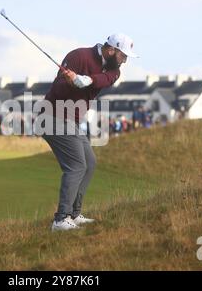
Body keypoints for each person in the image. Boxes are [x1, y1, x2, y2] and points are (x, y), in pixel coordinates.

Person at [41, 33, 138, 231]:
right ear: (111, 50)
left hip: (72, 121)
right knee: (76, 165)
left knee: (90, 163)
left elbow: (104, 80)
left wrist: (86, 80)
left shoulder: (115, 70)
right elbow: (58, 89)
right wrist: (70, 82)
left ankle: (74, 215)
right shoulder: (79, 56)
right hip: (52, 116)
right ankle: (60, 219)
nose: (125, 61)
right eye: (123, 56)